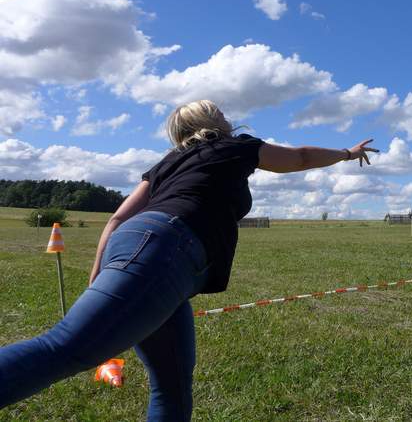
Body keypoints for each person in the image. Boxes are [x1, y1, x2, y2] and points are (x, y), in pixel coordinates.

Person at [0, 100, 378, 420]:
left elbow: (117, 219)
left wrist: (97, 275)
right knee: (67, 348)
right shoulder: (237, 146)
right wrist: (347, 153)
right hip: (165, 249)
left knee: (173, 384)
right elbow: (299, 157)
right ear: (218, 122)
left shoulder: (169, 162)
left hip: (143, 248)